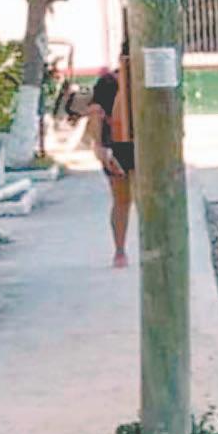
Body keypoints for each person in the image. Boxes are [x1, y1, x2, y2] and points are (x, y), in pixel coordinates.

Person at [86, 45, 136, 269]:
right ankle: (121, 249)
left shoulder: (109, 82)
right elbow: (96, 115)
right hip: (120, 147)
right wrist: (99, 147)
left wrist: (99, 147)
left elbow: (95, 115)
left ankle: (121, 251)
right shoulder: (110, 83)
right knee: (124, 200)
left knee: (123, 201)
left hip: (121, 147)